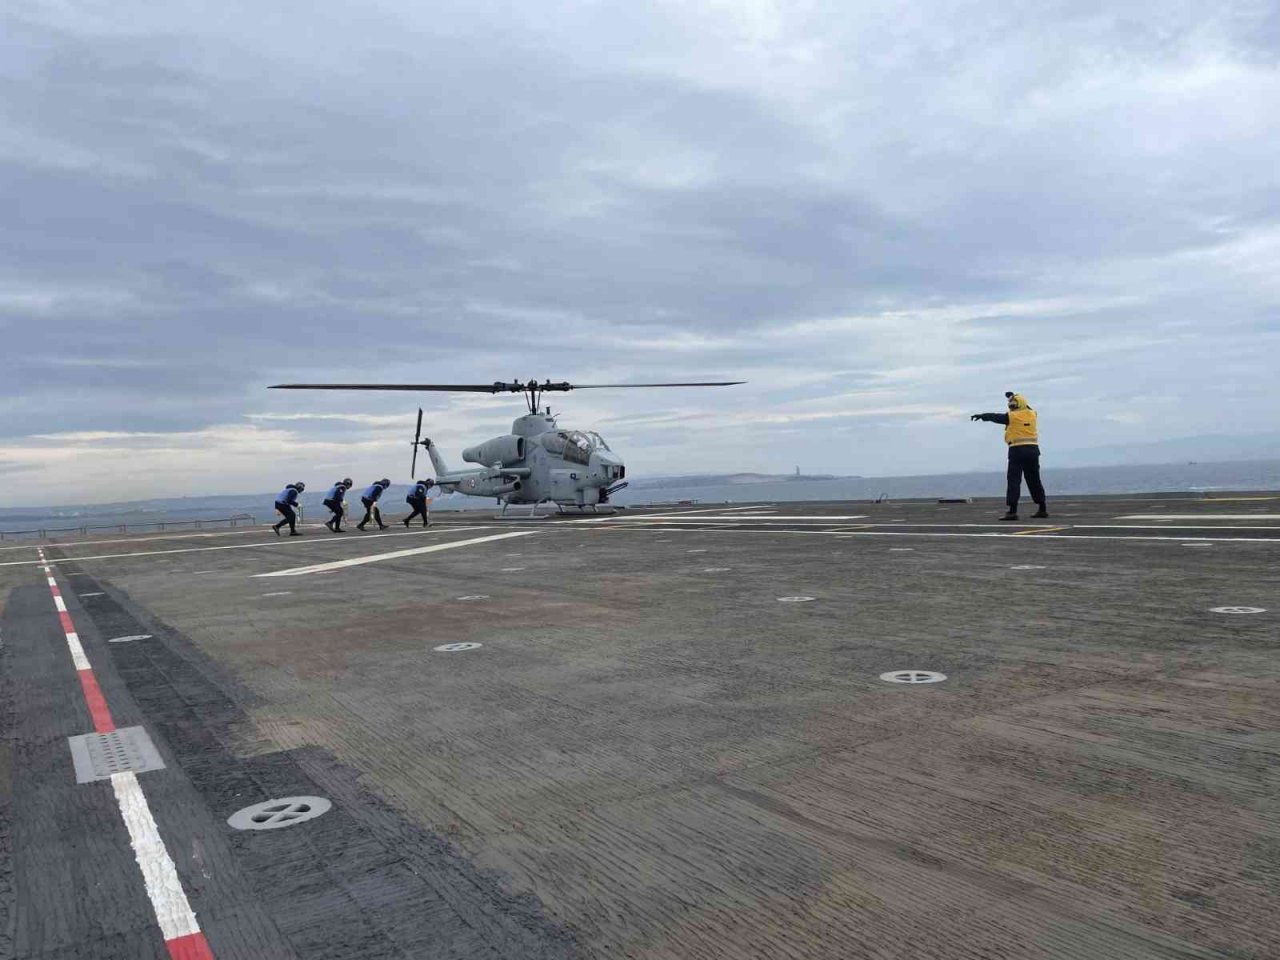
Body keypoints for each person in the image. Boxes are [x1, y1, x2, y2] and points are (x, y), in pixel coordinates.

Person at [971, 392, 1048, 520]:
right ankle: (1042, 508)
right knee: (1034, 480)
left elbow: (995, 417)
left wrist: (982, 416)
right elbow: (1026, 407)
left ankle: (1012, 511)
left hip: (1017, 450)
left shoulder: (1012, 416)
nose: (1010, 406)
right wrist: (1014, 396)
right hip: (1033, 450)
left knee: (1014, 480)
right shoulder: (1033, 414)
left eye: (1012, 404)